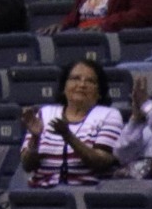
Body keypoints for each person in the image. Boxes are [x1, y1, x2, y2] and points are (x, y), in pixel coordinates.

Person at [19, 58, 123, 189]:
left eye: (90, 81)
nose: (82, 85)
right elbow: (27, 166)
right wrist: (35, 139)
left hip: (86, 194)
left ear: (100, 92)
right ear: (64, 87)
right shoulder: (44, 113)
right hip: (42, 194)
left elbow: (101, 163)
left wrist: (68, 136)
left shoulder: (109, 115)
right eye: (75, 78)